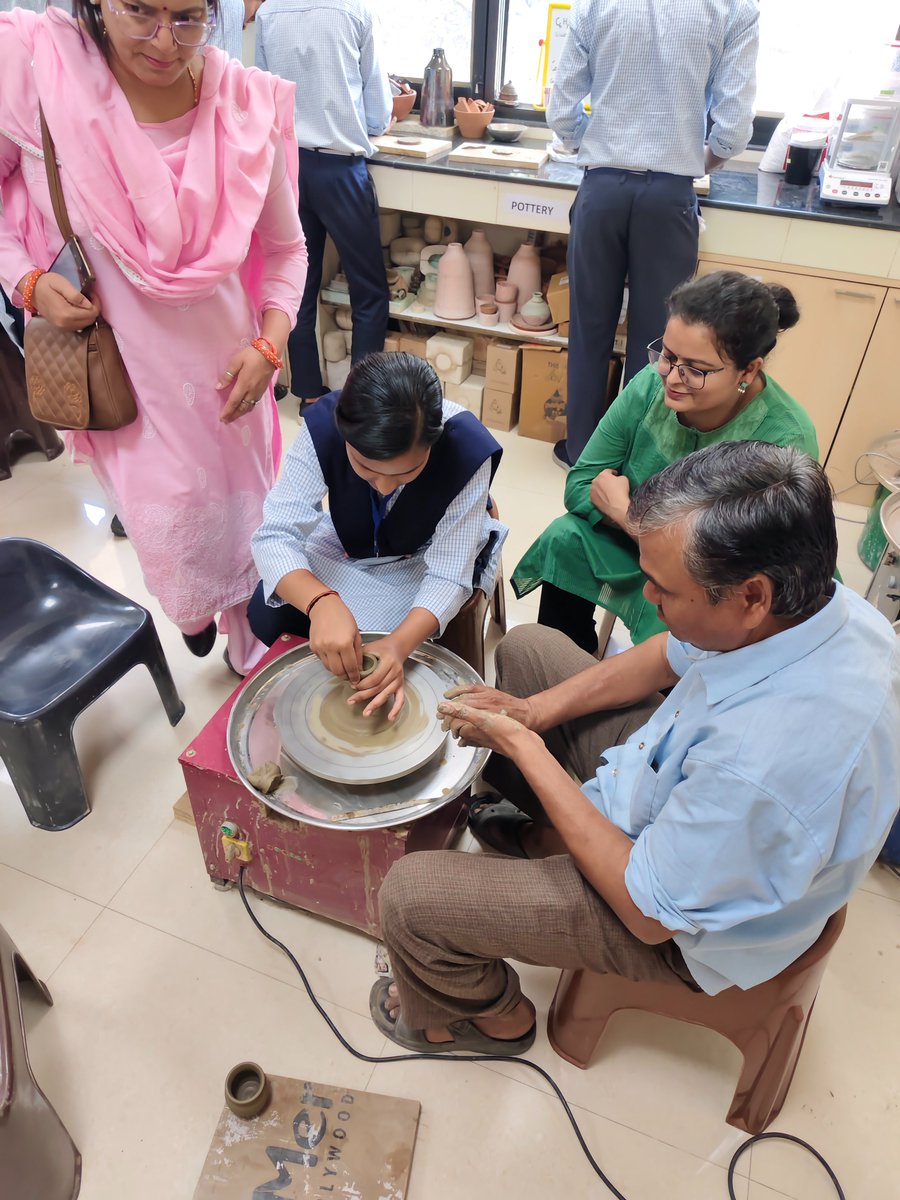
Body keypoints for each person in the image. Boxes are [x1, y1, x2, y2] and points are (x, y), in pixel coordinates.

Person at [367, 441, 900, 1055]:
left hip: (671, 923)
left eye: (664, 591)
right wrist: (533, 712)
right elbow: (667, 655)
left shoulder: (765, 763)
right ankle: (550, 838)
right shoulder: (813, 604)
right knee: (528, 651)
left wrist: (524, 743)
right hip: (682, 793)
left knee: (407, 898)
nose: (647, 601)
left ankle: (487, 1014)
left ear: (751, 597)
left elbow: (649, 915)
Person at [0, 2, 307, 675]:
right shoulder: (34, 71)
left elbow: (287, 250)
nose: (165, 41)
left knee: (252, 527)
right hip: (123, 386)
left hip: (231, 382)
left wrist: (269, 346)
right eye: (139, 10)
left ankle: (248, 635)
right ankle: (194, 611)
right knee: (171, 537)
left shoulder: (242, 105)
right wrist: (24, 279)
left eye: (188, 16)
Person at [512, 271, 818, 653]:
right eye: (668, 356)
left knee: (680, 641)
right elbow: (580, 485)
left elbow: (736, 568)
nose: (672, 378)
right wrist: (639, 530)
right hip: (632, 549)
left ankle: (653, 699)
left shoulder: (783, 439)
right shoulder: (650, 385)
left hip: (708, 589)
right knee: (567, 538)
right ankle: (566, 661)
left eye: (696, 369)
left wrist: (627, 515)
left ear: (749, 370)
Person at [548, 0, 759, 469]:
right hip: (670, 195)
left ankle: (583, 453)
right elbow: (733, 130)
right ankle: (634, 457)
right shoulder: (733, 8)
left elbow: (561, 110)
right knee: (662, 342)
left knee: (588, 329)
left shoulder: (596, 4)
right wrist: (696, 160)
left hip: (600, 188)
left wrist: (592, 144)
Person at [249, 351, 506, 717]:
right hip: (350, 542)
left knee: (385, 645)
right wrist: (321, 601)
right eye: (366, 469)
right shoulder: (325, 425)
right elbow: (275, 533)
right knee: (271, 615)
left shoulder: (467, 451)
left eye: (405, 473)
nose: (384, 486)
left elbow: (449, 573)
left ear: (432, 443)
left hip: (423, 550)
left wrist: (398, 647)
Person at [255, 0, 391, 412]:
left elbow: (264, 94)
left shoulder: (268, 12)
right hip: (340, 169)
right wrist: (372, 124)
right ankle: (359, 401)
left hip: (287, 167)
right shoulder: (356, 12)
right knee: (369, 292)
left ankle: (310, 394)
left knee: (297, 285)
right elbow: (379, 113)